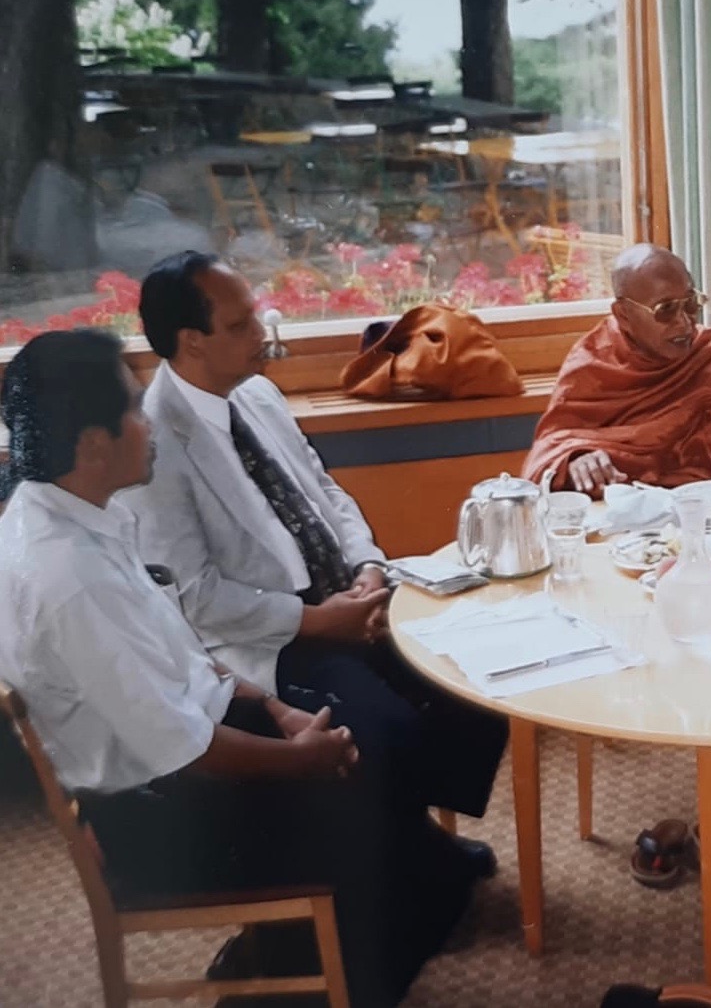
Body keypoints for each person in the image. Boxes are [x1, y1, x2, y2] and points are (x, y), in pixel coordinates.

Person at [0, 330, 470, 1005]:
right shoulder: (67, 576)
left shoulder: (69, 516)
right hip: (159, 819)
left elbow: (180, 653)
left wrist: (274, 706)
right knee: (359, 780)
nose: (149, 423)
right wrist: (300, 759)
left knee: (370, 742)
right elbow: (181, 749)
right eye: (135, 410)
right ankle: (330, 980)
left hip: (180, 752)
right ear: (94, 445)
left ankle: (354, 929)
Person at [120, 251, 508, 854]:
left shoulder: (257, 395)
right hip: (275, 635)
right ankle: (411, 852)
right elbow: (196, 598)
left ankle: (410, 831)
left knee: (482, 675)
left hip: (348, 598)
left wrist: (368, 569)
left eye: (257, 315)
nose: (262, 335)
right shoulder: (154, 443)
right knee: (387, 727)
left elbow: (325, 492)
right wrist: (318, 620)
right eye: (241, 325)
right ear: (192, 343)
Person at [524, 243, 711, 495]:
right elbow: (550, 448)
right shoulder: (594, 364)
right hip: (621, 526)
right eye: (665, 309)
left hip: (706, 518)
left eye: (690, 304)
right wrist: (574, 461)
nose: (684, 323)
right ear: (623, 314)